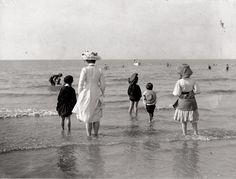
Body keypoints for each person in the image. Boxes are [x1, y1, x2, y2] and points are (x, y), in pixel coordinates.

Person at [72, 51, 105, 137]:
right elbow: (103, 84)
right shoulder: (100, 70)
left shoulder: (85, 69)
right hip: (97, 92)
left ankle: (89, 136)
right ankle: (96, 135)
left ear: (87, 61)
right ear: (95, 60)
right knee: (96, 116)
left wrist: (80, 94)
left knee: (88, 116)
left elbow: (80, 83)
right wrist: (101, 93)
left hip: (86, 93)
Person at [173, 64, 200, 135]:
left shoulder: (179, 82)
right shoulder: (193, 81)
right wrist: (192, 93)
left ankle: (185, 135)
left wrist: (182, 94)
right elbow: (197, 91)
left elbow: (176, 93)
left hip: (183, 101)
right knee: (194, 121)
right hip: (192, 101)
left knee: (183, 121)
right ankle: (196, 134)